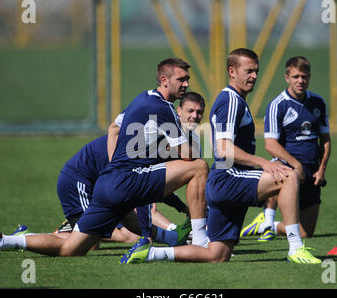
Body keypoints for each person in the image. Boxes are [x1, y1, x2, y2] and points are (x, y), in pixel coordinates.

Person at [0, 58, 209, 260]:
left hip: (109, 183)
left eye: (187, 79)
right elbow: (186, 155)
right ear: (164, 80)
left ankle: (2, 240)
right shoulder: (165, 108)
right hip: (124, 181)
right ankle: (200, 240)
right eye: (181, 79)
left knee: (71, 248)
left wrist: (116, 164)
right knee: (199, 167)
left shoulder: (141, 98)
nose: (186, 84)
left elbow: (114, 127)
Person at [121, 48, 322, 264]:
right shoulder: (231, 100)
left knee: (217, 255)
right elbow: (224, 150)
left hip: (224, 183)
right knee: (288, 176)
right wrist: (265, 164)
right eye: (248, 71)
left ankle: (150, 254)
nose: (254, 76)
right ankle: (295, 248)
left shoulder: (236, 100)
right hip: (229, 177)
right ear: (232, 71)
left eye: (256, 71)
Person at [240, 56, 331, 240]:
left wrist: (321, 170)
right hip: (288, 168)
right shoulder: (277, 105)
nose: (300, 81)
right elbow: (270, 144)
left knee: (306, 234)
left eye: (304, 77)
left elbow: (326, 140)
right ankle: (268, 218)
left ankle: (269, 225)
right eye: (296, 77)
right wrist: (295, 164)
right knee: (278, 171)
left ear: (309, 77)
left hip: (312, 173)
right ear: (287, 77)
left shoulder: (318, 103)